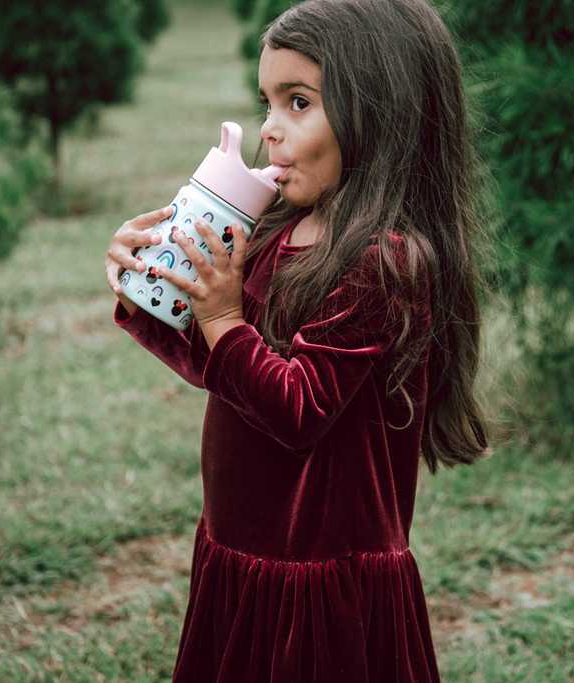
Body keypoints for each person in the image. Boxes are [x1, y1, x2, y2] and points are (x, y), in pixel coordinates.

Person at [103, 0, 493, 679]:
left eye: (298, 102)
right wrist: (150, 289)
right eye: (267, 104)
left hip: (321, 585)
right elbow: (226, 369)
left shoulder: (384, 260)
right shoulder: (278, 233)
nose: (269, 131)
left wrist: (226, 321)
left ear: (381, 114)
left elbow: (297, 408)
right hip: (241, 552)